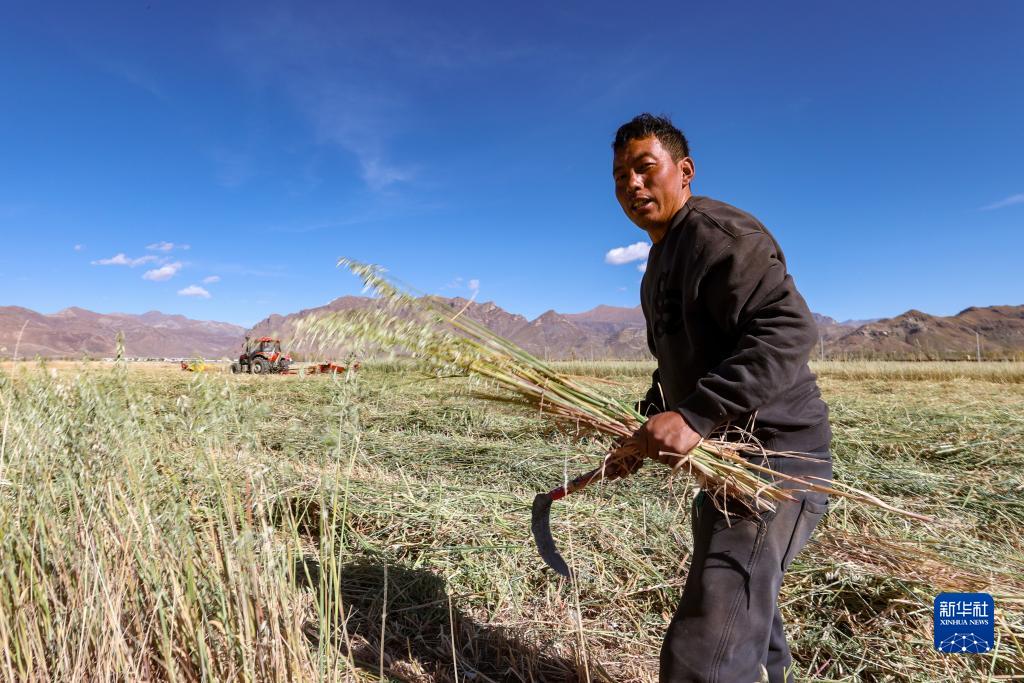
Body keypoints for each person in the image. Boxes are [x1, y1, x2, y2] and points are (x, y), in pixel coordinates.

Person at [611, 113, 833, 683]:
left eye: (644, 168)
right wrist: (645, 430)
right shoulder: (658, 263)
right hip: (728, 457)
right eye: (620, 177)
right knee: (746, 615)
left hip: (776, 461)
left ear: (683, 172)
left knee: (705, 649)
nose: (632, 185)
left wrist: (696, 414)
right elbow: (679, 369)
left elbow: (787, 331)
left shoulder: (718, 234)